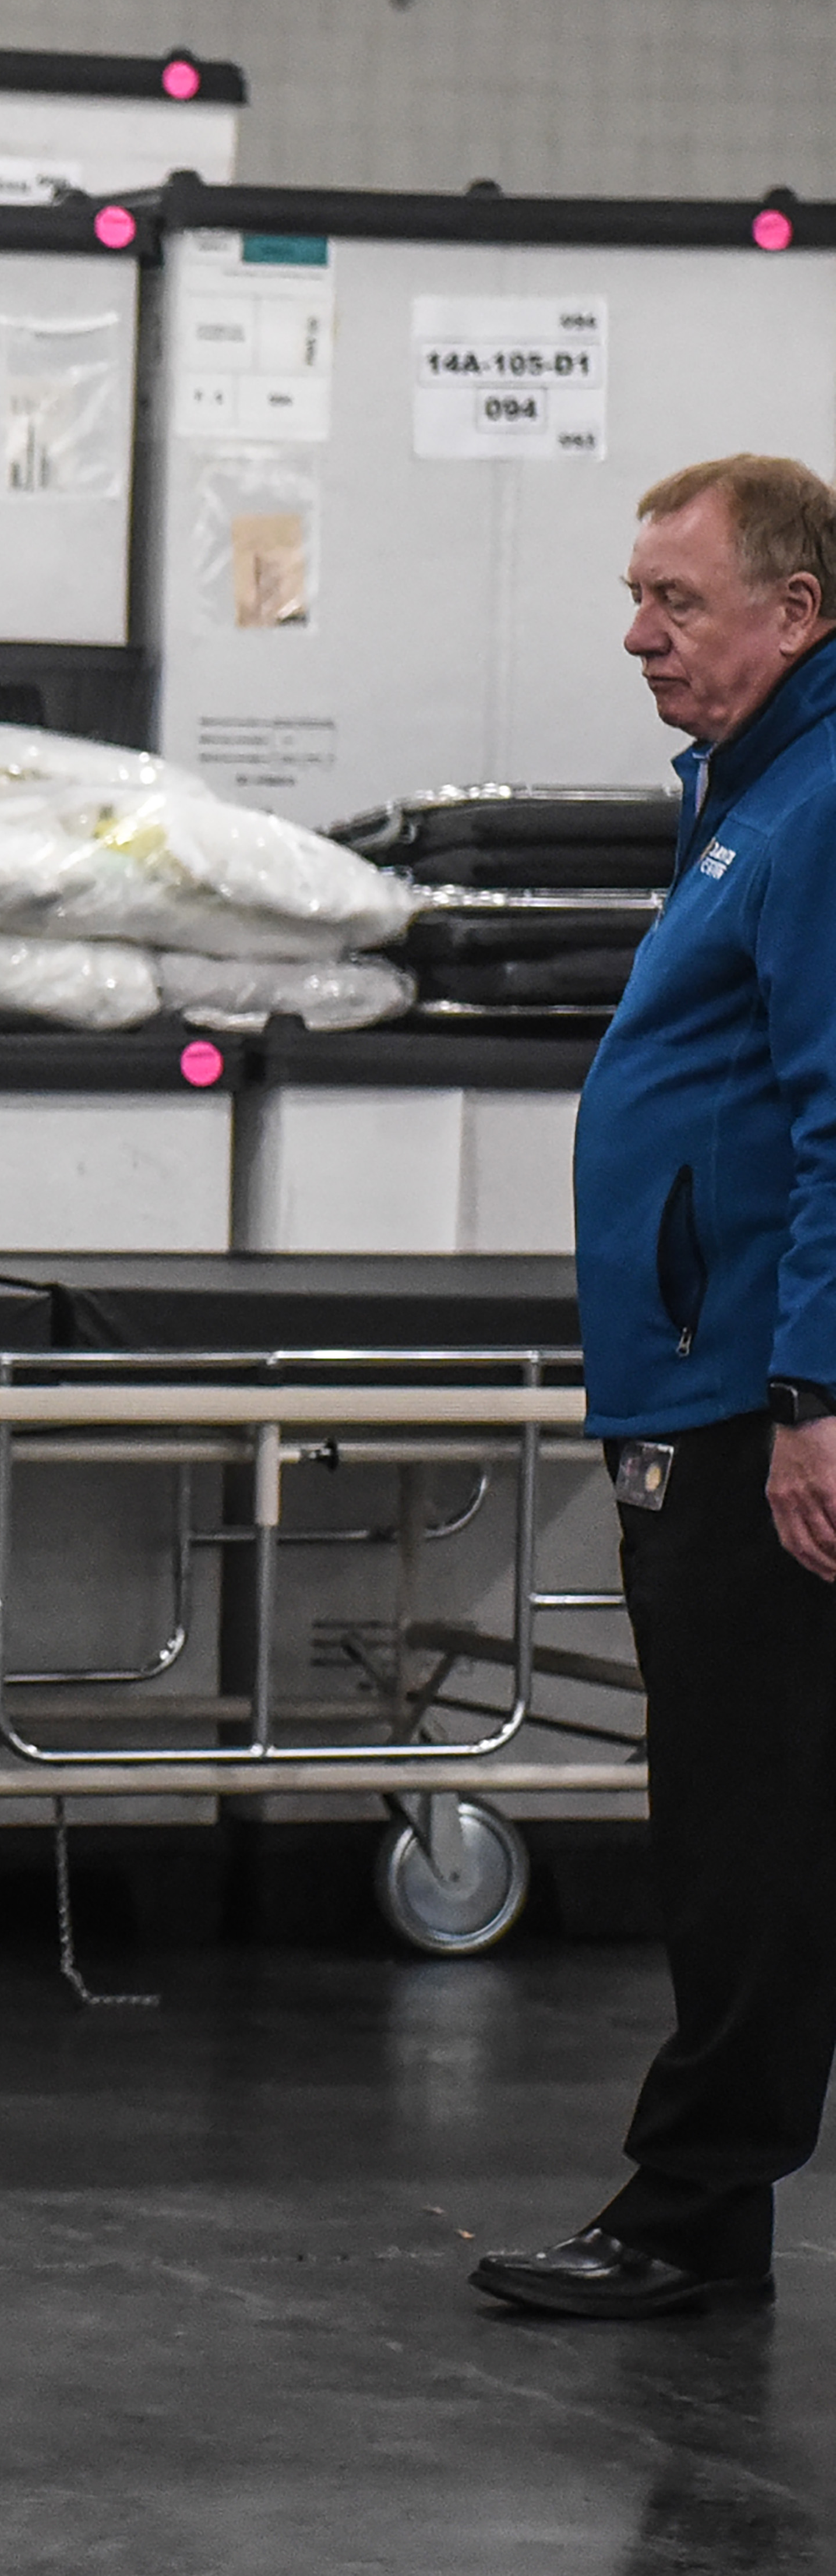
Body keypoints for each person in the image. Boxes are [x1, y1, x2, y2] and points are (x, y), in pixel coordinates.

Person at [477, 453, 836, 2322]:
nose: (635, 635)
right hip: (698, 1379)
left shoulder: (820, 803)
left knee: (745, 1815)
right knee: (731, 1801)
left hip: (749, 1396)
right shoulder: (745, 789)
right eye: (633, 595)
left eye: (673, 603)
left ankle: (691, 2209)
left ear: (794, 615)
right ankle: (707, 2203)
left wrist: (812, 1392)